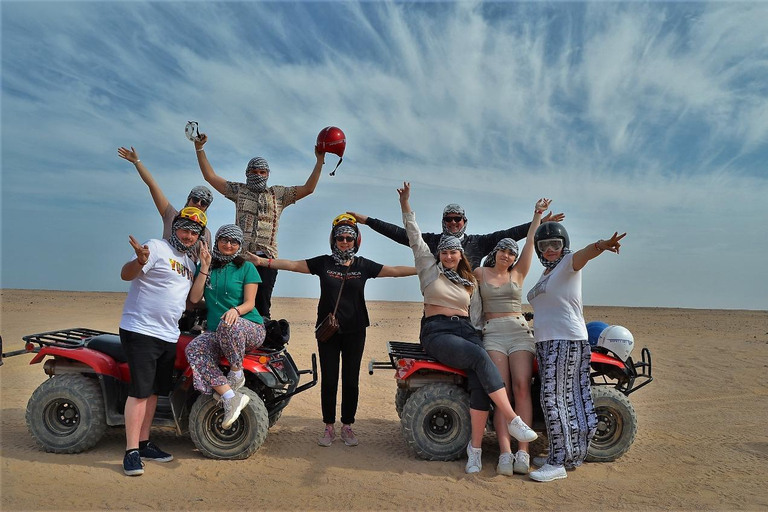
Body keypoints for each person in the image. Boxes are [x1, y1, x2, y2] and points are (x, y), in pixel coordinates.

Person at [397, 182, 537, 474]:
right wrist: (406, 204)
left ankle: (474, 450)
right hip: (438, 331)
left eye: (453, 253)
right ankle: (512, 418)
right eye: (444, 252)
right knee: (479, 358)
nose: (448, 256)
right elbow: (412, 235)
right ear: (439, 253)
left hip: (466, 331)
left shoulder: (469, 281)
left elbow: (478, 314)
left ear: (461, 255)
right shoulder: (428, 267)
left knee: (478, 383)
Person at [249, 214, 416, 447]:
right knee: (329, 379)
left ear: (356, 240)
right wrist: (262, 262)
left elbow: (395, 270)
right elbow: (293, 265)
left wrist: (423, 269)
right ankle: (329, 426)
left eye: (349, 238)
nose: (345, 242)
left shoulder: (363, 266)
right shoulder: (323, 263)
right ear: (333, 240)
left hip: (356, 330)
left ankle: (347, 426)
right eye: (341, 238)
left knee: (350, 380)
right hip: (327, 331)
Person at [526, 222, 626, 482]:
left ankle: (558, 463)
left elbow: (585, 254)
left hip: (565, 340)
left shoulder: (568, 263)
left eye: (555, 244)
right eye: (544, 245)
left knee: (555, 400)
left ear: (564, 246)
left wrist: (600, 246)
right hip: (548, 342)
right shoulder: (546, 274)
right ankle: (566, 454)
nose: (550, 249)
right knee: (563, 399)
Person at [193, 132, 325, 319]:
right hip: (240, 259)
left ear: (268, 174)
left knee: (262, 307)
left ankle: (261, 343)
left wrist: (319, 161)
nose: (258, 175)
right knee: (237, 302)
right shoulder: (238, 191)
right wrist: (199, 148)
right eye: (253, 172)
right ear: (247, 173)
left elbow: (308, 188)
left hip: (267, 261)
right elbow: (210, 176)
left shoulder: (278, 194)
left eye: (262, 172)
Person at [118, 206, 206, 476]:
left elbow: (192, 301)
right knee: (140, 392)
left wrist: (207, 267)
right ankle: (131, 452)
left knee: (155, 391)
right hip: (141, 330)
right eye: (184, 228)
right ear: (174, 227)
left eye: (194, 232)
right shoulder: (155, 247)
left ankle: (144, 443)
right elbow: (126, 274)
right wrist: (140, 261)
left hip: (169, 335)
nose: (188, 235)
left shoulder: (190, 264)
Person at [473, 198, 550, 476]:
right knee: (501, 390)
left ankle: (522, 452)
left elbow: (530, 242)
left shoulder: (518, 273)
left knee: (521, 386)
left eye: (511, 253)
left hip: (519, 332)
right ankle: (505, 452)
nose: (507, 256)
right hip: (493, 333)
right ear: (495, 253)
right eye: (503, 251)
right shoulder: (480, 273)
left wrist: (537, 216)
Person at [185, 224, 266, 429]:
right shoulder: (207, 266)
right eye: (224, 240)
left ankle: (236, 372)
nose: (228, 245)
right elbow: (194, 299)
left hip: (249, 328)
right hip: (218, 331)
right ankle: (230, 397)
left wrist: (236, 311)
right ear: (218, 241)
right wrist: (204, 267)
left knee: (227, 323)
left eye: (234, 242)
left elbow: (250, 303)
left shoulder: (246, 267)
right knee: (194, 348)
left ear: (239, 245)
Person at [347, 203, 564, 269]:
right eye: (448, 219)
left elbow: (511, 234)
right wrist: (367, 220)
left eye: (457, 219)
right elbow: (400, 234)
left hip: (472, 309)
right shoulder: (432, 241)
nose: (453, 223)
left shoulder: (479, 243)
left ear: (464, 221)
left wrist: (539, 222)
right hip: (438, 307)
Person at [117, 146, 213, 252]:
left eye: (204, 203)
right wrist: (137, 162)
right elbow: (153, 186)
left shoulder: (205, 233)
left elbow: (206, 260)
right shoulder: (172, 216)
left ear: (206, 208)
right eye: (195, 199)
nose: (198, 204)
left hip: (188, 268)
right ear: (188, 200)